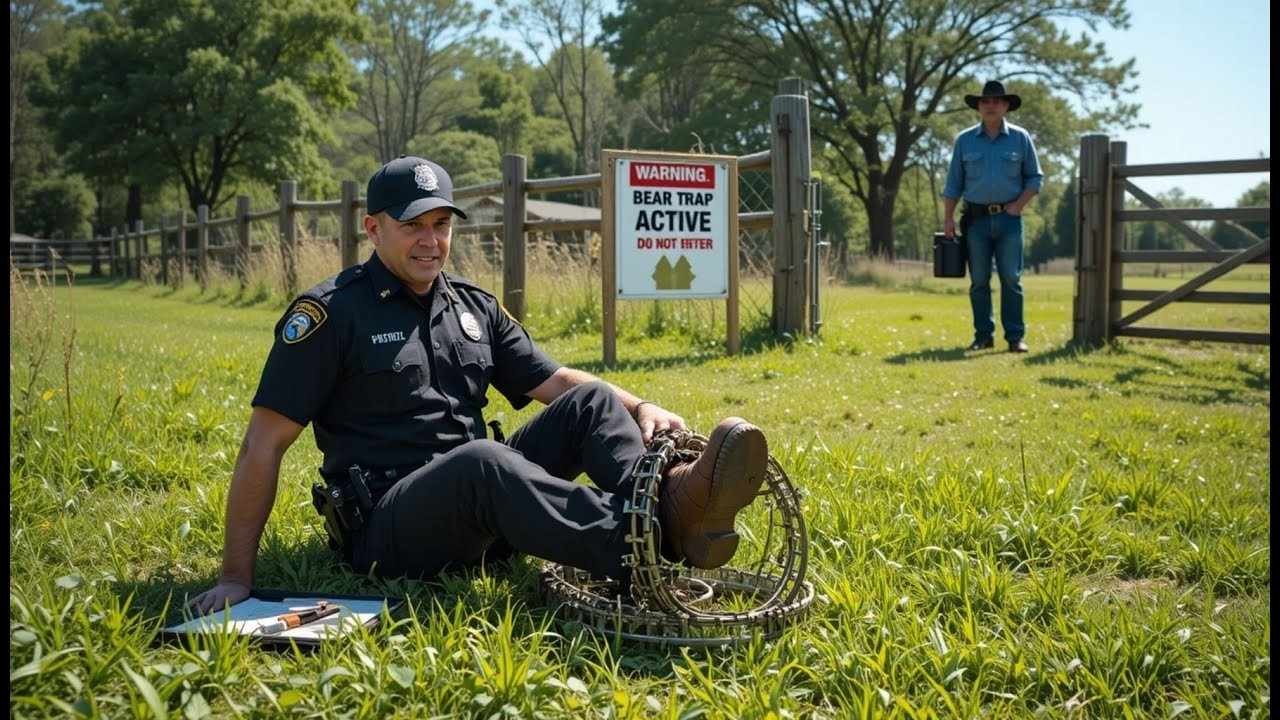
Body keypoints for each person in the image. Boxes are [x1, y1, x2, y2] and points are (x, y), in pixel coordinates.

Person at [187, 156, 770, 615]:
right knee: (483, 460)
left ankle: (671, 495)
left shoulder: (471, 305)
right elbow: (263, 444)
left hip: (483, 510)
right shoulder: (330, 314)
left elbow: (557, 380)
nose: (430, 241)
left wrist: (640, 403)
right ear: (372, 229)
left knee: (588, 400)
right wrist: (236, 577)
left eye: (440, 225)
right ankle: (656, 535)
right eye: (411, 225)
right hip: (390, 529)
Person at [942, 80, 1044, 353]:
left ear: (1006, 106)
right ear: (978, 107)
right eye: (985, 102)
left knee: (1011, 278)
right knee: (979, 281)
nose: (990, 106)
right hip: (975, 222)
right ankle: (983, 335)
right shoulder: (964, 140)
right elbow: (953, 184)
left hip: (1010, 221)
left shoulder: (1020, 138)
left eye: (997, 102)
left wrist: (1018, 205)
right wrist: (948, 219)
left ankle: (1015, 337)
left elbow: (1035, 178)